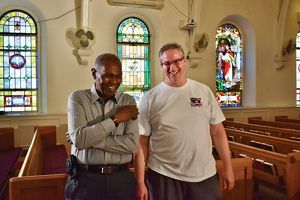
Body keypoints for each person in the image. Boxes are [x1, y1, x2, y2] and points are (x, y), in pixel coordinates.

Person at [135, 43, 235, 200]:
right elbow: (143, 142)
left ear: (185, 61)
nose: (172, 68)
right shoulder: (150, 97)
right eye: (166, 63)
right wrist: (140, 181)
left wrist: (228, 167)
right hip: (164, 175)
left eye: (176, 61)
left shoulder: (203, 91)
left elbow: (217, 131)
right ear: (161, 65)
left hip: (204, 174)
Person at [65, 53, 139, 200]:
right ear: (94, 73)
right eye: (108, 76)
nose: (114, 81)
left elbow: (131, 145)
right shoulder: (77, 98)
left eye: (118, 76)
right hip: (86, 179)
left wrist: (89, 141)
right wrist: (115, 119)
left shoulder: (127, 101)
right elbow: (80, 140)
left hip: (121, 179)